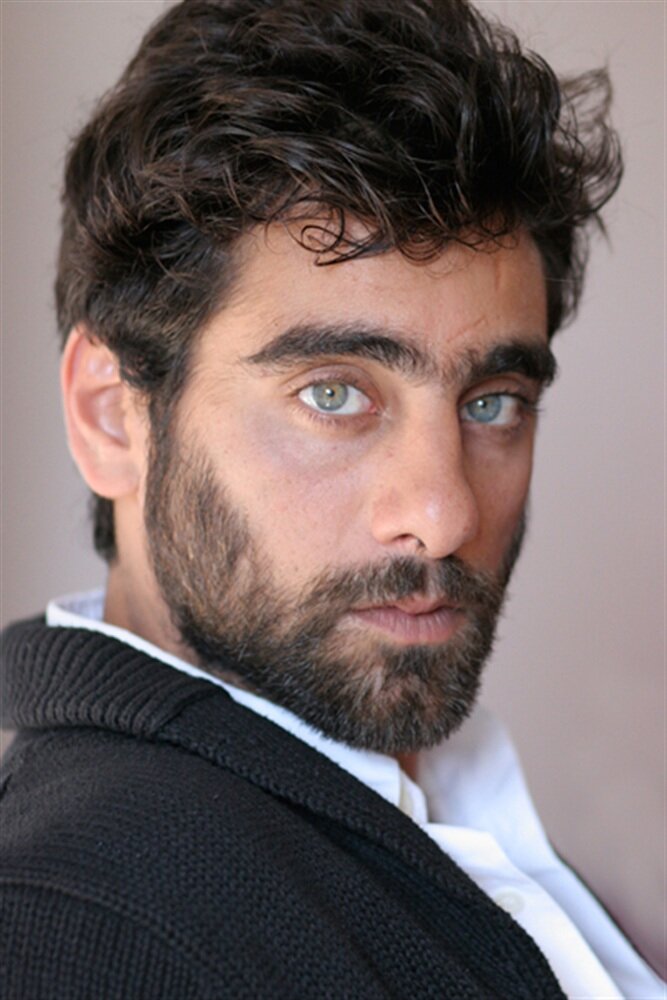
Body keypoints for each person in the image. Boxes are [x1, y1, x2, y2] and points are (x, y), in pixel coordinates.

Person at [0, 0, 662, 996]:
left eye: (491, 402)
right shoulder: (82, 931)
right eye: (334, 394)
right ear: (110, 415)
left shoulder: (415, 808)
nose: (443, 515)